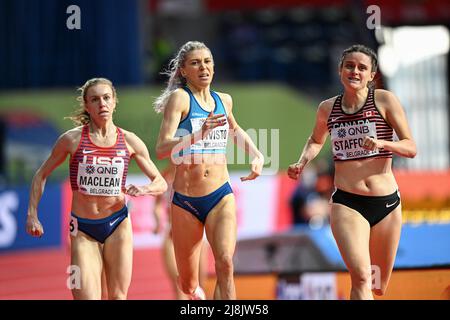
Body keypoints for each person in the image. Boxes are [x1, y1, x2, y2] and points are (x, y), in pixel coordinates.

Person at [288, 44, 416, 300]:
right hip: (348, 202)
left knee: (378, 285)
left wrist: (383, 143)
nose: (354, 71)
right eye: (349, 66)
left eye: (361, 67)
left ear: (371, 75)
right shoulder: (327, 108)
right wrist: (302, 161)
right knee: (360, 277)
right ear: (340, 71)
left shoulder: (384, 100)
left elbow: (410, 147)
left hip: (387, 203)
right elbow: (315, 140)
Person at [25, 77, 167, 300]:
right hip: (83, 230)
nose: (102, 104)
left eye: (106, 98)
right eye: (95, 99)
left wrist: (145, 189)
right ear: (87, 106)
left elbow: (161, 182)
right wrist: (32, 214)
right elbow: (41, 175)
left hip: (118, 224)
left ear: (114, 102)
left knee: (118, 297)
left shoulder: (129, 141)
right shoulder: (71, 140)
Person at [154, 41, 264, 300]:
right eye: (195, 62)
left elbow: (234, 129)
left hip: (220, 194)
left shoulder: (224, 100)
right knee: (189, 284)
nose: (203, 67)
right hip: (186, 201)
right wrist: (198, 133)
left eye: (207, 61)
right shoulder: (180, 99)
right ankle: (195, 293)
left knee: (225, 263)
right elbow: (161, 148)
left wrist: (257, 154)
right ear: (183, 70)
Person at [151, 162, 208, 300]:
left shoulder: (195, 171)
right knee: (180, 287)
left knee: (200, 285)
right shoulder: (164, 176)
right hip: (172, 233)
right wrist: (158, 221)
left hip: (196, 233)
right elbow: (157, 204)